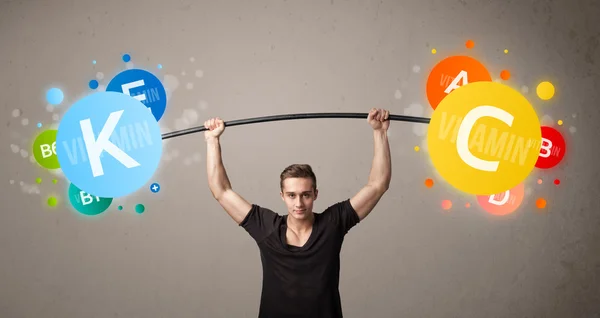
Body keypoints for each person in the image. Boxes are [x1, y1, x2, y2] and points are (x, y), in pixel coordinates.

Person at [204, 108, 392, 318]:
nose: (299, 203)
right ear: (282, 195)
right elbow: (221, 191)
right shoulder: (267, 227)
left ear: (315, 194)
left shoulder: (332, 224)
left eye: (305, 195)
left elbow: (378, 185)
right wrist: (212, 141)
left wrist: (380, 133)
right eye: (292, 195)